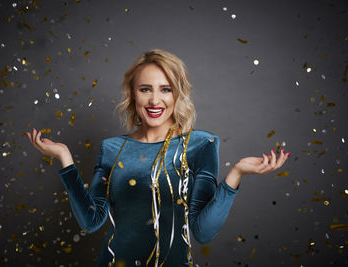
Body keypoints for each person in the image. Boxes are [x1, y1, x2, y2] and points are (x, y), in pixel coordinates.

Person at [26, 49, 290, 267]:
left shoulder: (200, 145)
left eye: (165, 89)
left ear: (177, 95)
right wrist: (65, 158)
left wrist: (236, 175)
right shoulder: (111, 148)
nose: (155, 100)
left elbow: (202, 232)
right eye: (145, 89)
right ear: (132, 94)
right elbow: (91, 221)